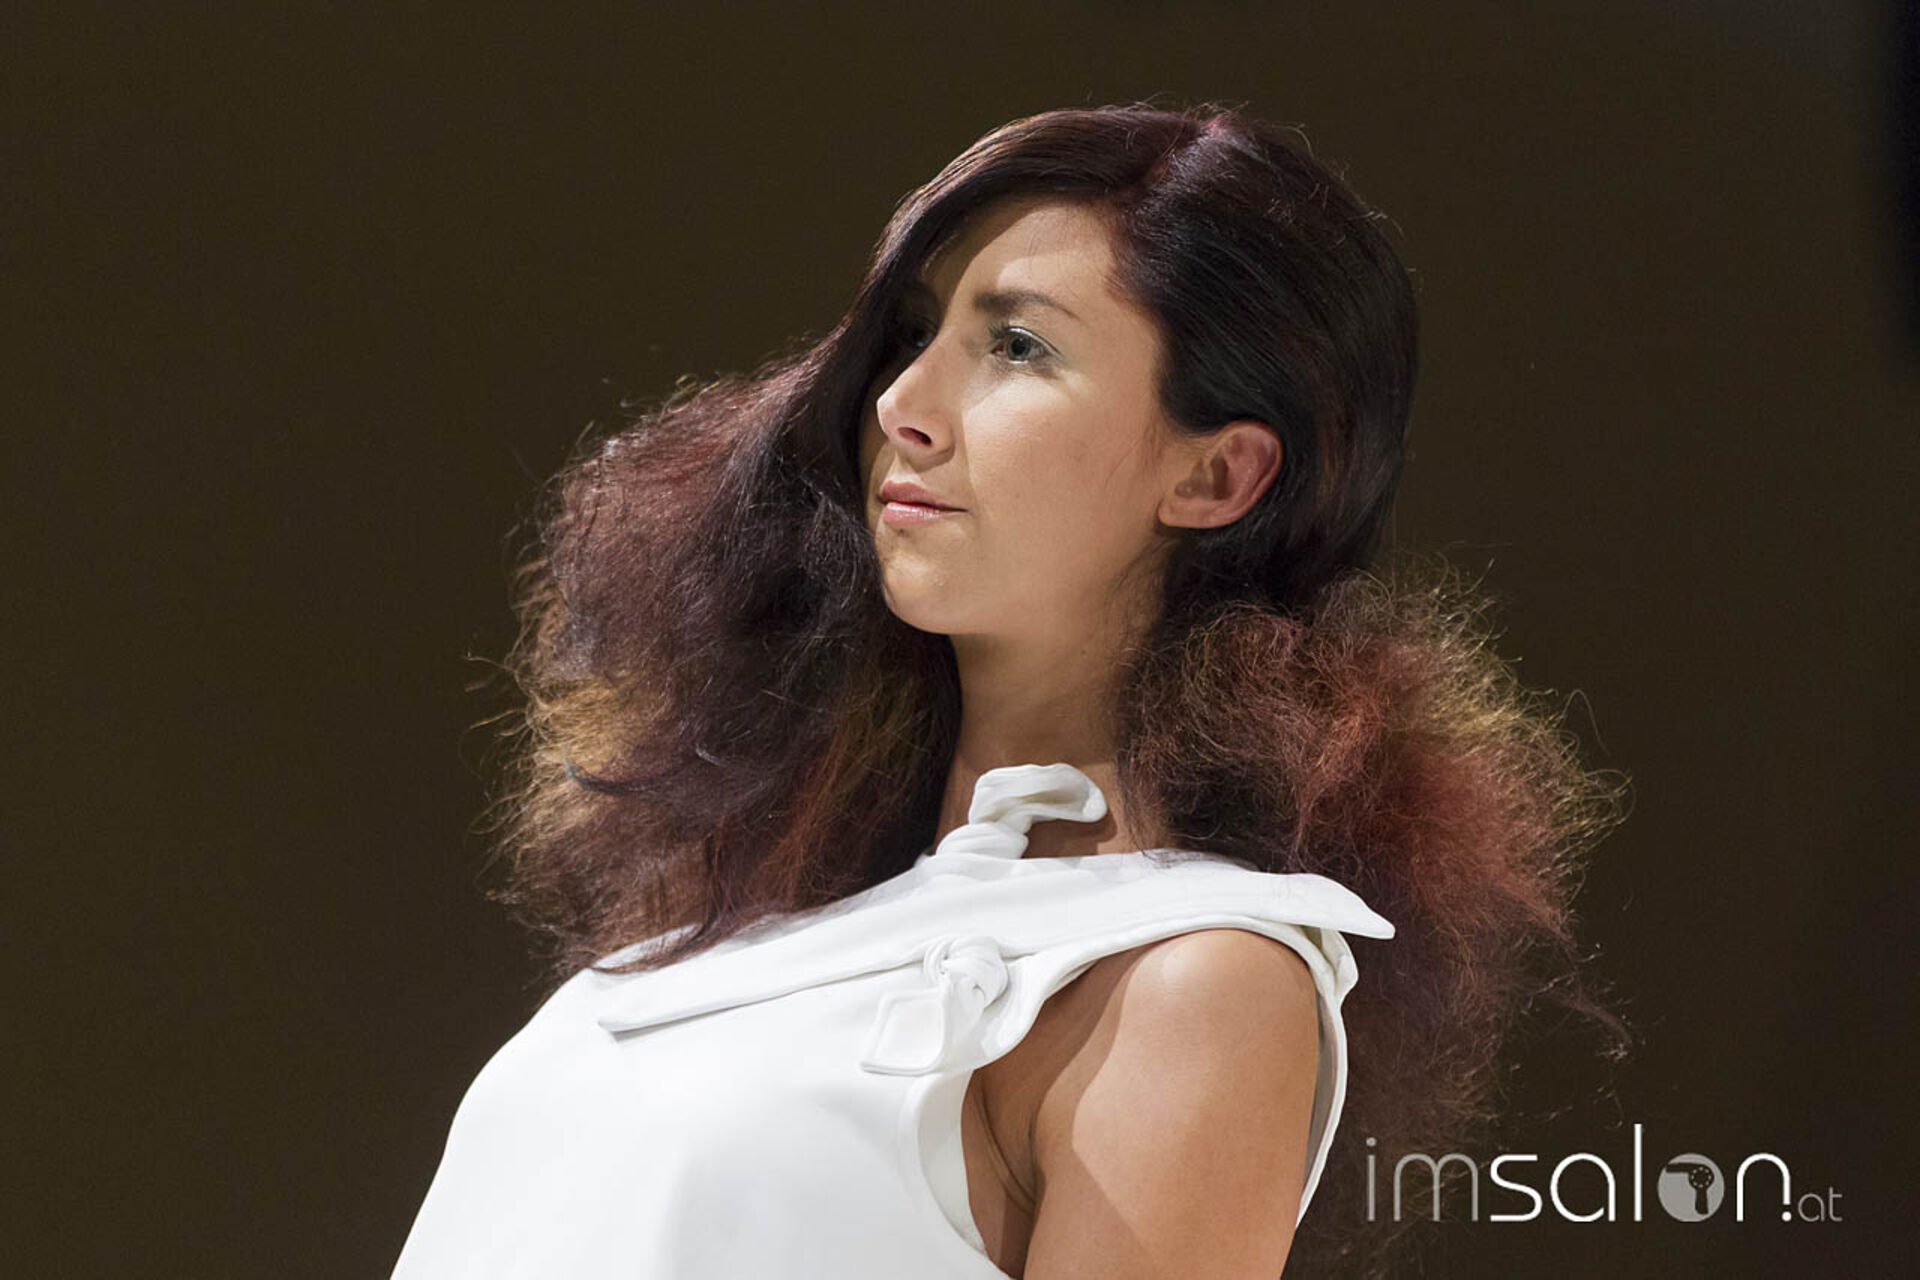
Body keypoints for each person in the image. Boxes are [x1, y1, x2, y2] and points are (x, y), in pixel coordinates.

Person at [393, 102, 1629, 1279]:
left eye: (1018, 346)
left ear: (1215, 476)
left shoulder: (1189, 979)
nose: (902, 404)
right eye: (913, 333)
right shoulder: (739, 920)